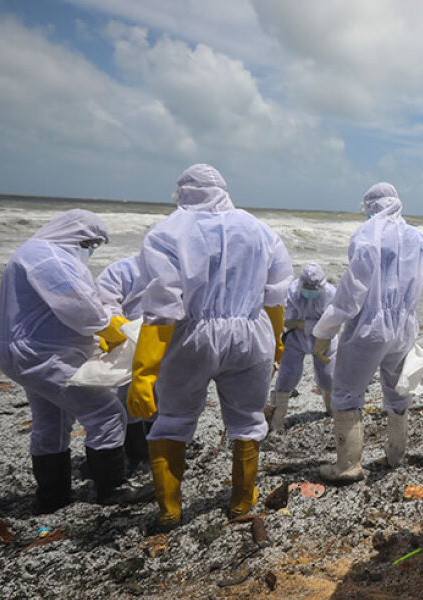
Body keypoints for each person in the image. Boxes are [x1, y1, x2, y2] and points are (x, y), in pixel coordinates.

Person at [127, 164, 293, 529]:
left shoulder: (167, 232)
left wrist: (143, 372)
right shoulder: (260, 230)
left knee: (172, 419)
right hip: (252, 334)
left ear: (183, 193)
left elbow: (163, 308)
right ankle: (240, 503)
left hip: (191, 337)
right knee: (248, 420)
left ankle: (170, 511)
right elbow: (276, 295)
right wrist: (277, 343)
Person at [0, 210, 147, 511]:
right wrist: (112, 328)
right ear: (77, 237)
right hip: (43, 356)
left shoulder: (36, 253)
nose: (91, 251)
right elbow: (80, 307)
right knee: (106, 412)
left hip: (33, 353)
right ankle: (112, 488)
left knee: (52, 422)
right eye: (91, 245)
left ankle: (53, 497)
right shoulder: (50, 258)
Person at [312, 183, 423, 481]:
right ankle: (395, 453)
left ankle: (348, 464)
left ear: (370, 208)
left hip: (368, 327)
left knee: (347, 391)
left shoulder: (367, 235)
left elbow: (352, 291)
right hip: (404, 326)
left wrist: (325, 330)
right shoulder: (419, 238)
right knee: (398, 388)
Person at [95, 254, 151, 472]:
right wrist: (122, 326)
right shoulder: (124, 269)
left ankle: (155, 448)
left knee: (163, 396)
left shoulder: (181, 268)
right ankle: (135, 452)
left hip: (165, 340)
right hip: (128, 341)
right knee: (128, 396)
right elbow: (103, 302)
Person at [266, 262, 337, 433]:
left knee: (328, 376)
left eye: (314, 288)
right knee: (287, 377)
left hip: (323, 338)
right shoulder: (291, 292)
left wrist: (301, 324)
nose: (310, 292)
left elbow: (332, 321)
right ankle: (277, 420)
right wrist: (296, 325)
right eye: (307, 287)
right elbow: (284, 318)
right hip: (295, 339)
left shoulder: (331, 294)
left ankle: (333, 411)